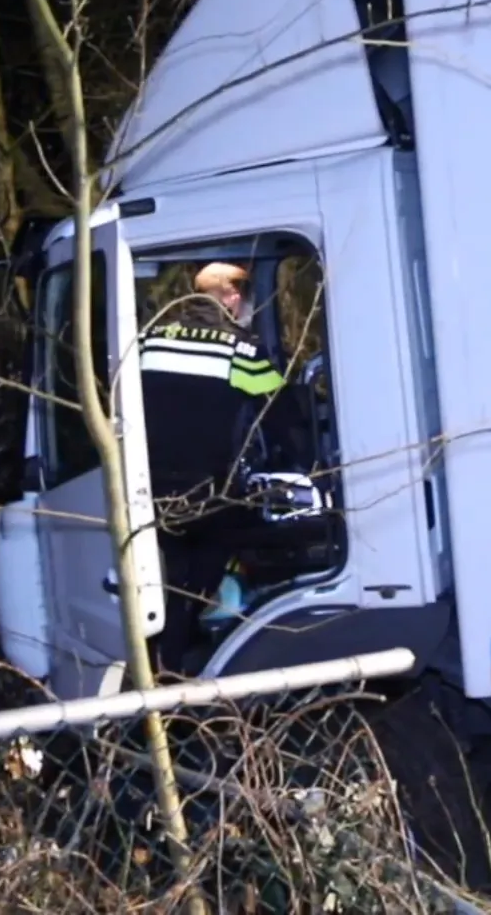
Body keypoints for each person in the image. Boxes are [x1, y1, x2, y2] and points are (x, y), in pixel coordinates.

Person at [136, 261, 307, 675]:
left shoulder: (147, 342)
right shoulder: (239, 350)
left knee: (171, 568)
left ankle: (162, 655)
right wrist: (312, 464)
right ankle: (180, 656)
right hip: (208, 489)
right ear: (230, 298)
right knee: (218, 550)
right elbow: (280, 417)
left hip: (146, 489)